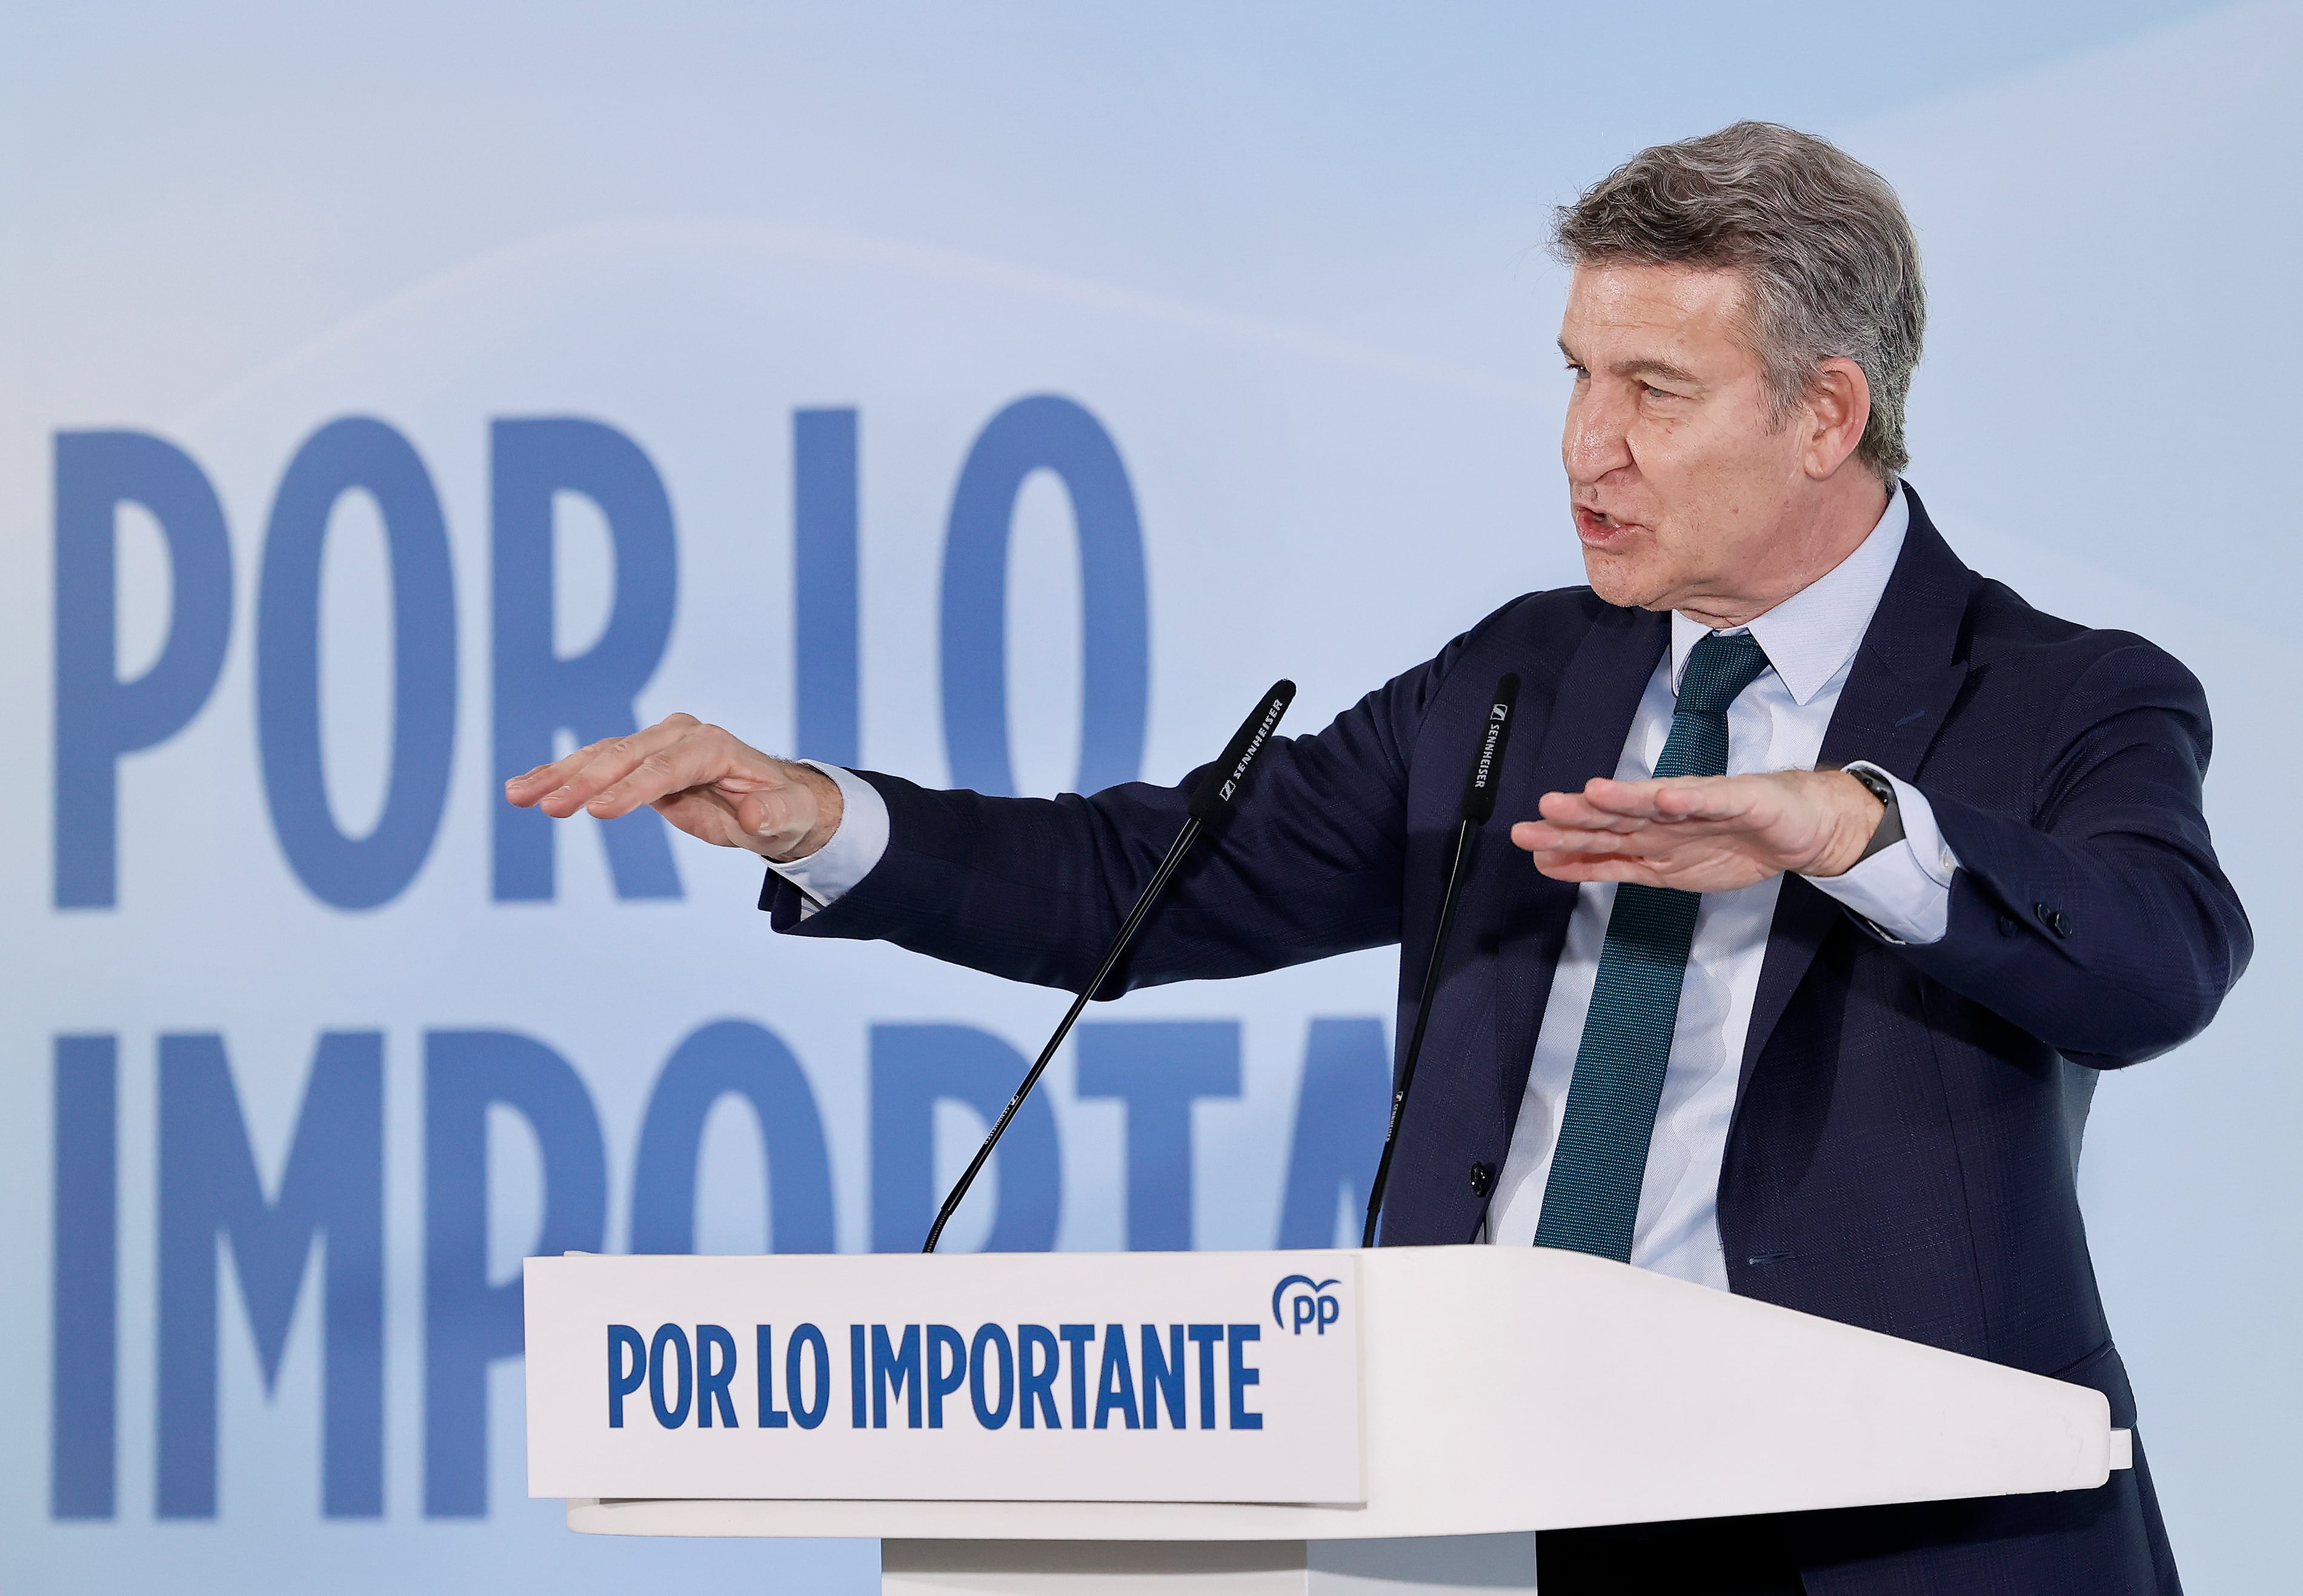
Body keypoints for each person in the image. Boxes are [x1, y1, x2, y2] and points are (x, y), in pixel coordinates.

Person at [506, 122, 2246, 1594]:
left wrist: (1860, 829)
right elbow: (1151, 883)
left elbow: (2157, 960)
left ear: (1824, 413)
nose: (1585, 445)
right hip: (1492, 1518)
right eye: (1575, 375)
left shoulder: (2061, 695)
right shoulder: (1520, 677)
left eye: (1652, 389)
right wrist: (824, 818)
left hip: (1899, 1535)